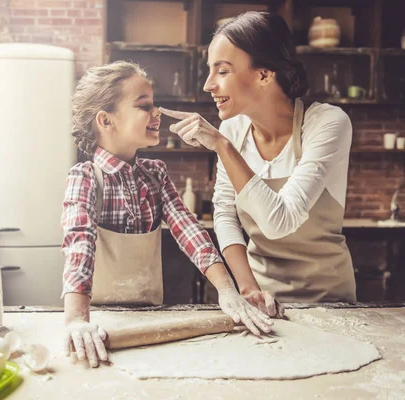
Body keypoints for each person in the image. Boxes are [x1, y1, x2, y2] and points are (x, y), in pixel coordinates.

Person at [60, 61, 273, 368]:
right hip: (99, 323)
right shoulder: (86, 177)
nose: (157, 113)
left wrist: (228, 291)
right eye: (144, 106)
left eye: (154, 104)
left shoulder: (155, 175)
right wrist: (77, 321)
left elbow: (190, 231)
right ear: (106, 120)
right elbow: (79, 244)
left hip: (149, 319)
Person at [160, 11, 357, 315]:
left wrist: (222, 147)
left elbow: (281, 221)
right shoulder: (233, 130)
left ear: (264, 75)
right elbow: (224, 214)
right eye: (209, 71)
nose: (208, 85)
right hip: (261, 299)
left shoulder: (326, 124)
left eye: (222, 71)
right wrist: (248, 288)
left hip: (329, 302)